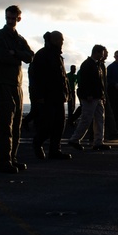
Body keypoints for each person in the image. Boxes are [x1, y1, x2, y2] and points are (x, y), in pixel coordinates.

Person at [0, 5, 35, 174]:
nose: (10, 20)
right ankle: (4, 160)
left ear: (18, 18)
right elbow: (3, 56)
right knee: (5, 124)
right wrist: (18, 55)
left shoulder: (19, 39)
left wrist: (15, 52)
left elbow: (30, 56)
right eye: (8, 17)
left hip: (16, 83)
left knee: (16, 123)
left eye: (13, 18)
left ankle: (12, 158)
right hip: (3, 82)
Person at [29, 31, 71, 160]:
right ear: (55, 40)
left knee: (59, 124)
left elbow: (63, 77)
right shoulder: (42, 55)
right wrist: (39, 96)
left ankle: (55, 150)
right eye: (60, 40)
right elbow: (36, 77)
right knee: (47, 125)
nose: (62, 42)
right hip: (47, 97)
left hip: (58, 96)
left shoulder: (57, 56)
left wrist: (66, 92)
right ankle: (37, 143)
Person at [68, 44, 109, 151]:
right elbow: (85, 81)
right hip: (91, 96)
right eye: (102, 54)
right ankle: (75, 139)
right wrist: (88, 94)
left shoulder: (95, 64)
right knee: (87, 119)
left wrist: (102, 95)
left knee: (99, 119)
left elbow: (98, 82)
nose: (103, 56)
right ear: (97, 53)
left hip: (97, 96)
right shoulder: (88, 65)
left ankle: (98, 142)